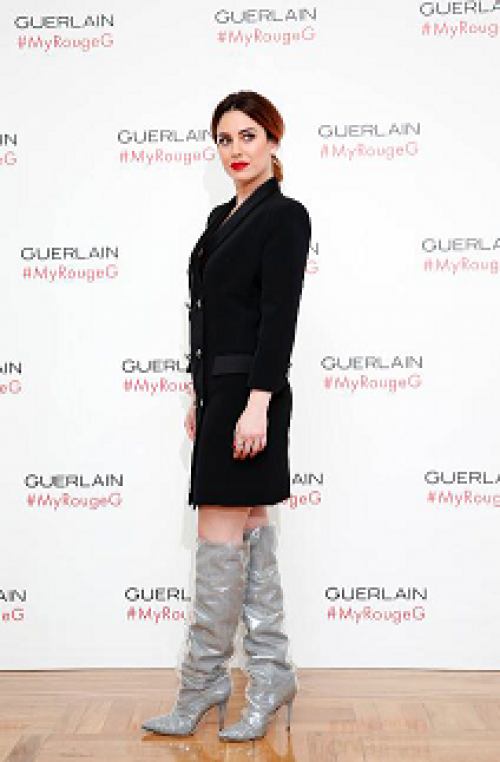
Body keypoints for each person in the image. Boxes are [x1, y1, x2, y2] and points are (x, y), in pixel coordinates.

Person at [142, 90, 311, 742]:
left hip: (252, 396)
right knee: (251, 530)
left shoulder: (285, 216)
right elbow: (212, 318)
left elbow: (278, 317)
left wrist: (257, 404)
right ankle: (268, 675)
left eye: (248, 135)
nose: (235, 149)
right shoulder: (221, 218)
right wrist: (199, 394)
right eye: (224, 139)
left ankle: (204, 683)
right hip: (220, 394)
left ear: (272, 140)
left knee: (218, 536)